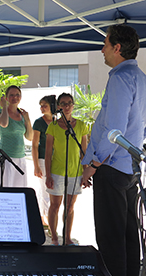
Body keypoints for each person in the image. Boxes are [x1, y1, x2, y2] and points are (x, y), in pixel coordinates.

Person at [80, 24, 146, 276]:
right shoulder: (142, 78)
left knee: (111, 238)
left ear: (117, 48)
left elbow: (115, 130)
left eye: (105, 44)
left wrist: (94, 164)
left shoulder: (121, 78)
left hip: (111, 169)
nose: (102, 50)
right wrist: (130, 149)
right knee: (128, 235)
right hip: (129, 169)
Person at [45, 93, 89, 246]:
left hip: (75, 172)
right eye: (63, 103)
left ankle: (67, 237)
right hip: (57, 172)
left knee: (69, 207)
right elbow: (48, 152)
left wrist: (86, 172)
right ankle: (55, 238)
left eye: (69, 103)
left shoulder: (81, 125)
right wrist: (48, 175)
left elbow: (84, 151)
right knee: (55, 206)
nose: (67, 106)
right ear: (58, 107)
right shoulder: (54, 126)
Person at [0, 85, 32, 187]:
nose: (15, 97)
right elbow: (4, 123)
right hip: (5, 156)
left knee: (18, 189)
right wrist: (4, 106)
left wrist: (27, 119)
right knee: (4, 188)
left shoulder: (22, 114)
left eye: (17, 95)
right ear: (6, 98)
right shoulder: (0, 112)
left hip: (20, 157)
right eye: (11, 95)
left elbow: (29, 137)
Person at [32, 95, 55, 231]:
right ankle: (45, 219)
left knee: (54, 190)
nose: (41, 108)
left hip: (56, 159)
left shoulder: (58, 121)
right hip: (42, 159)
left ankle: (48, 217)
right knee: (45, 189)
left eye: (44, 105)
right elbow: (34, 145)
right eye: (40, 105)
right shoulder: (38, 123)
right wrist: (36, 165)